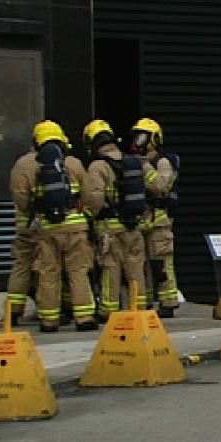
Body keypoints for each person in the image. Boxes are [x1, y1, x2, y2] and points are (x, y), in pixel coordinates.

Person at [12, 120, 97, 332]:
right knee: (78, 271)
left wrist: (35, 213)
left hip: (46, 229)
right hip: (75, 228)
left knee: (48, 273)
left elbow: (21, 200)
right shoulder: (74, 163)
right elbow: (88, 196)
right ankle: (84, 317)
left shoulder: (25, 165)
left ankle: (49, 320)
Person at [81, 119, 148, 320]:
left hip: (110, 228)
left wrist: (88, 216)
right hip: (134, 225)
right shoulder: (132, 161)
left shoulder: (98, 166)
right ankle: (140, 307)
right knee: (135, 267)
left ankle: (109, 310)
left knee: (111, 267)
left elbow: (95, 198)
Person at [130, 117, 180, 317]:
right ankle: (147, 302)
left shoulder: (162, 162)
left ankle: (168, 303)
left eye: (143, 136)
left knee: (161, 263)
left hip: (159, 220)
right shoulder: (137, 162)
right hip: (142, 219)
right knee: (141, 264)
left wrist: (144, 168)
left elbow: (161, 186)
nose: (138, 140)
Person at [6, 147, 38, 321]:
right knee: (49, 269)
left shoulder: (22, 164)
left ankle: (14, 310)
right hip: (49, 225)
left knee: (21, 266)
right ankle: (52, 311)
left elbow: (20, 197)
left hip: (25, 224)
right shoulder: (61, 161)